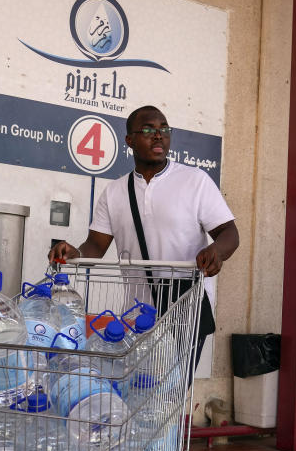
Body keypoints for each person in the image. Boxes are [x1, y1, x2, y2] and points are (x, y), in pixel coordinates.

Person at [48, 105, 239, 369]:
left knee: (172, 395)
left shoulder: (195, 181)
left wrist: (217, 251)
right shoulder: (114, 192)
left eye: (164, 130)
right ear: (130, 140)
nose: (158, 136)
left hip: (185, 309)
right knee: (140, 394)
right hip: (136, 315)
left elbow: (229, 232)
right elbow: (95, 245)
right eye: (149, 130)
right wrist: (74, 254)